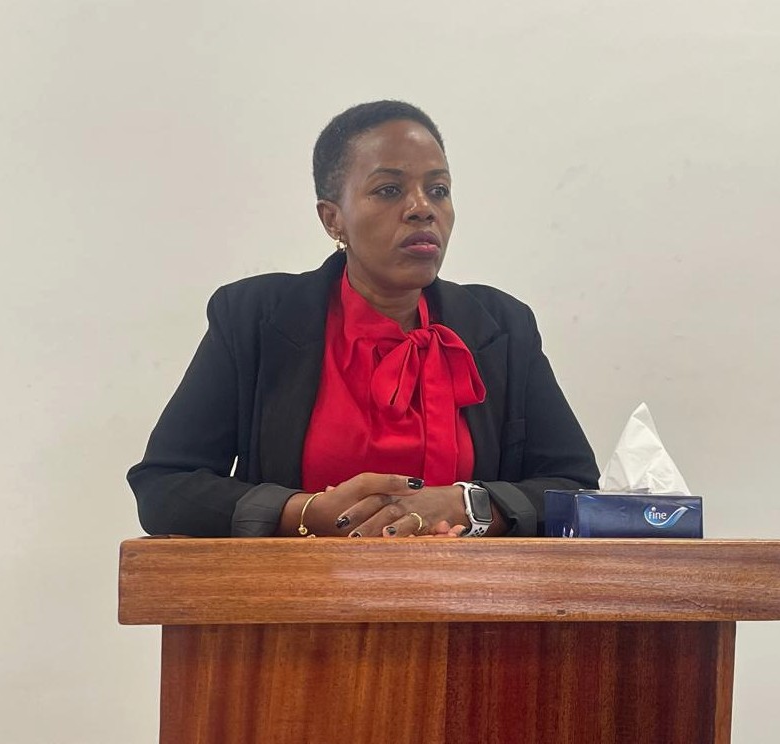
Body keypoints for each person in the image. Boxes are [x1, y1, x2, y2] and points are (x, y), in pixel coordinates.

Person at [128, 100, 599, 539]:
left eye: (438, 190)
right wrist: (303, 512)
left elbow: (575, 488)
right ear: (333, 219)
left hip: (469, 596)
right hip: (300, 595)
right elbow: (165, 488)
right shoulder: (254, 317)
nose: (422, 208)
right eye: (389, 190)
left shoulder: (501, 325)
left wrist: (468, 505)